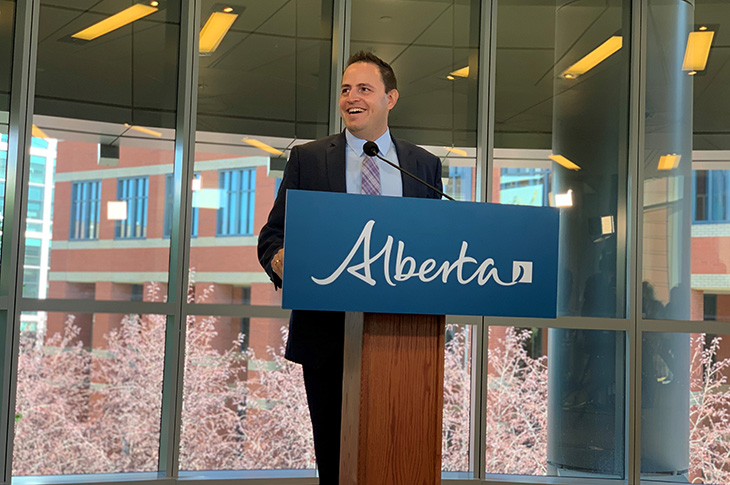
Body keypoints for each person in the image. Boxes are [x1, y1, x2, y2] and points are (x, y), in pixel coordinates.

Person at [257, 51, 443, 484]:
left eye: (364, 89)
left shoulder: (423, 166)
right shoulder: (308, 159)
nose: (351, 97)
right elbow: (273, 237)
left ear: (390, 98)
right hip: (327, 335)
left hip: (406, 339)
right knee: (337, 462)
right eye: (345, 89)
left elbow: (436, 246)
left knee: (400, 457)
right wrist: (285, 263)